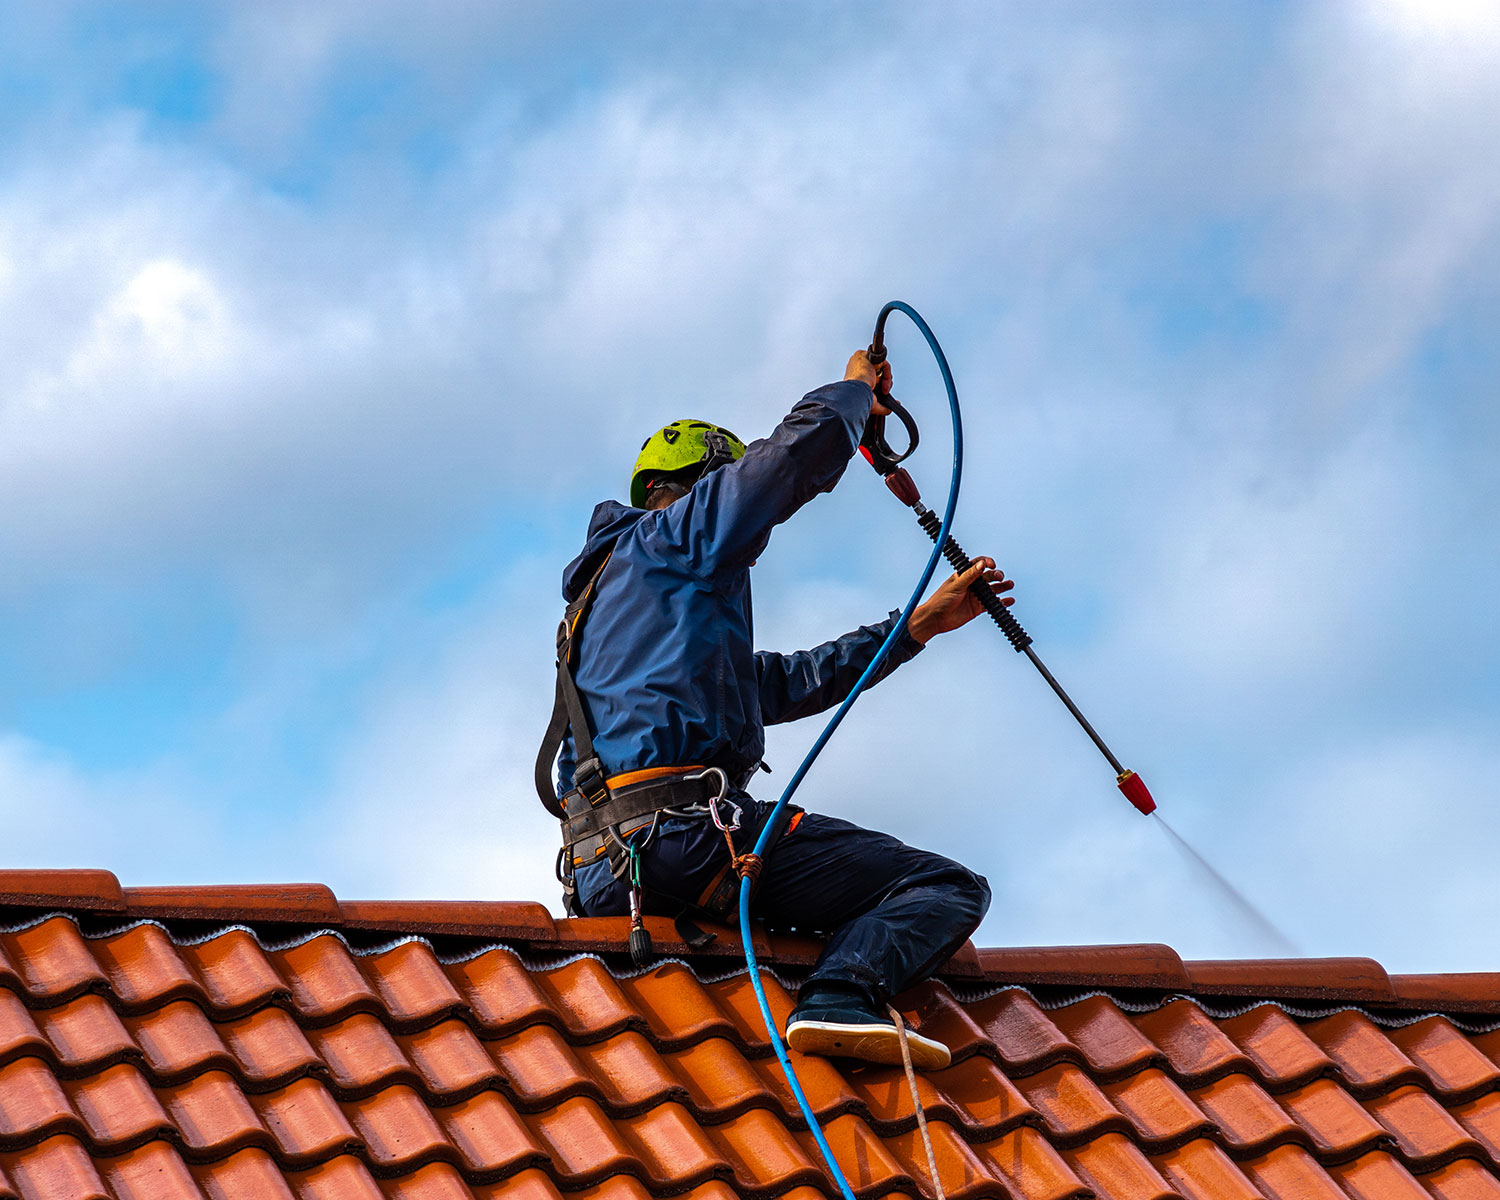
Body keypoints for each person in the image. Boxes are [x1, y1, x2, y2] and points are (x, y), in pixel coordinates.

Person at [537, 350, 1014, 1070]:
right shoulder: (674, 538)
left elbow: (790, 682)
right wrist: (855, 393)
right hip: (684, 839)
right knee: (942, 887)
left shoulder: (614, 615)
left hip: (601, 869)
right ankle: (840, 997)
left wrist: (917, 625)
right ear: (699, 489)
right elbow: (791, 459)